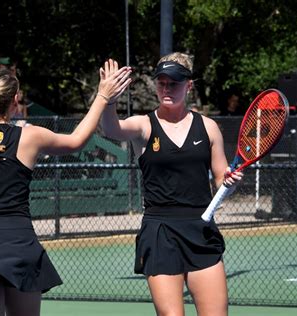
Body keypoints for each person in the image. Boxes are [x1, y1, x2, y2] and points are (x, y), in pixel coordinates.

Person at [0, 61, 131, 316]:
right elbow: (77, 140)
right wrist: (102, 96)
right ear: (15, 99)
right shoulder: (30, 136)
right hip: (19, 247)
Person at [100, 52, 243, 316]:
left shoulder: (209, 127)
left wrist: (230, 181)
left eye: (174, 83)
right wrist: (108, 99)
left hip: (201, 231)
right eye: (161, 82)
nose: (166, 88)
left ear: (189, 85)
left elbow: (223, 177)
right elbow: (111, 129)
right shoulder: (143, 125)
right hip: (159, 232)